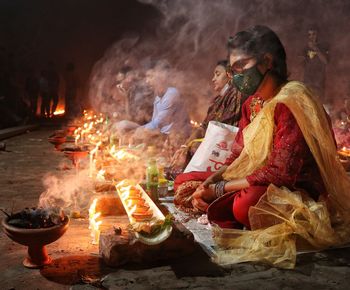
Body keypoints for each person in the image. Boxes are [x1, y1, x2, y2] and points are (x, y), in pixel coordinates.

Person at [174, 26, 350, 267]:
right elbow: (238, 156)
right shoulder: (252, 103)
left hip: (292, 189)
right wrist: (211, 181)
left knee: (244, 205)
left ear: (267, 61)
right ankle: (219, 205)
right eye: (231, 69)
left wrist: (218, 190)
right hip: (252, 180)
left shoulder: (292, 100)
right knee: (186, 181)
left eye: (240, 67)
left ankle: (224, 207)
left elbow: (281, 173)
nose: (234, 76)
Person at [170, 60, 244, 175]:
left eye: (218, 74)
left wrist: (193, 146)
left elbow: (224, 132)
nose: (213, 79)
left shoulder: (235, 95)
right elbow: (203, 127)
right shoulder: (217, 100)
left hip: (223, 154)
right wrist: (185, 146)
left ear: (229, 75)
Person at [113, 60, 191, 147]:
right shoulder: (158, 96)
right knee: (124, 126)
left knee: (136, 132)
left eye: (150, 76)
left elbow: (158, 123)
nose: (147, 81)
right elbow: (153, 122)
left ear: (161, 76)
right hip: (160, 133)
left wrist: (138, 131)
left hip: (174, 137)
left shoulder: (172, 93)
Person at [303, 27, 329, 103]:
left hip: (319, 81)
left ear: (318, 35)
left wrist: (315, 48)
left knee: (318, 103)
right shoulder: (305, 48)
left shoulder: (324, 46)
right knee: (307, 103)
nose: (312, 37)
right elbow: (302, 62)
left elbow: (326, 61)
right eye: (309, 35)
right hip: (308, 80)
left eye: (314, 34)